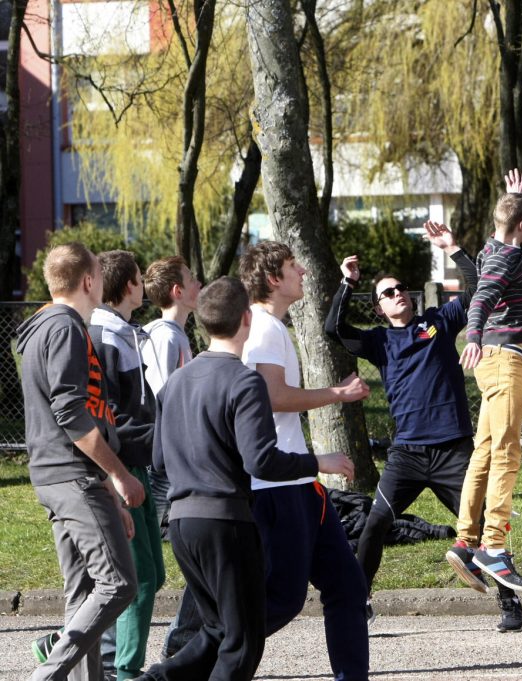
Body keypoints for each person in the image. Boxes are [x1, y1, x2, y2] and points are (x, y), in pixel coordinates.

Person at [324, 220, 522, 630]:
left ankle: (509, 601)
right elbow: (334, 329)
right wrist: (347, 283)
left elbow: (477, 290)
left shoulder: (438, 322)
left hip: (453, 449)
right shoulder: (379, 342)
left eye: (401, 289)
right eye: (388, 293)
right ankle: (360, 600)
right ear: (379, 306)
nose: (399, 295)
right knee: (376, 522)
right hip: (408, 455)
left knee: (484, 527)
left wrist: (453, 248)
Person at [133, 277, 320, 681]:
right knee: (242, 641)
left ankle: (156, 680)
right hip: (225, 522)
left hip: (182, 524)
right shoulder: (244, 380)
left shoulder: (177, 382)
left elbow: (160, 461)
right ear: (246, 318)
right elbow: (262, 461)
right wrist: (315, 462)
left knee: (218, 629)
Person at [240, 241, 370, 679]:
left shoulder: (273, 326)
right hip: (277, 487)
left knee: (347, 587)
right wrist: (338, 394)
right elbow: (272, 397)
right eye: (295, 267)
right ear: (274, 279)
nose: (304, 274)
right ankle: (198, 658)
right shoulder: (263, 329)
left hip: (301, 485)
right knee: (282, 599)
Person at [17, 242, 143, 681]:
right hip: (72, 478)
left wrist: (107, 486)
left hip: (56, 476)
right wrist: (119, 474)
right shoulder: (66, 328)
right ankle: (45, 676)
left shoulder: (40, 327)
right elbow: (70, 412)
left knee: (84, 590)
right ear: (89, 281)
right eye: (100, 277)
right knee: (118, 583)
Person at [448, 169, 522, 593]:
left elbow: (482, 267)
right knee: (506, 452)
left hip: (493, 359)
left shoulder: (493, 248)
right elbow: (483, 294)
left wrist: (515, 198)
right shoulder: (507, 257)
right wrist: (472, 333)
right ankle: (494, 546)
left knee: (484, 451)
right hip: (505, 359)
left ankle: (466, 540)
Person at [89, 250, 165, 681]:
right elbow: (110, 411)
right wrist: (161, 440)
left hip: (136, 464)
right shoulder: (106, 333)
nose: (143, 283)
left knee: (151, 571)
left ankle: (64, 640)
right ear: (128, 286)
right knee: (137, 577)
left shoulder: (122, 330)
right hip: (124, 467)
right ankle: (126, 670)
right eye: (139, 277)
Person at [140, 255, 201, 535]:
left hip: (166, 444)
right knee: (155, 519)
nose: (198, 284)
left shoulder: (169, 333)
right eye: (192, 280)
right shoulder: (168, 337)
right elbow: (164, 393)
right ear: (178, 292)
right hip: (164, 446)